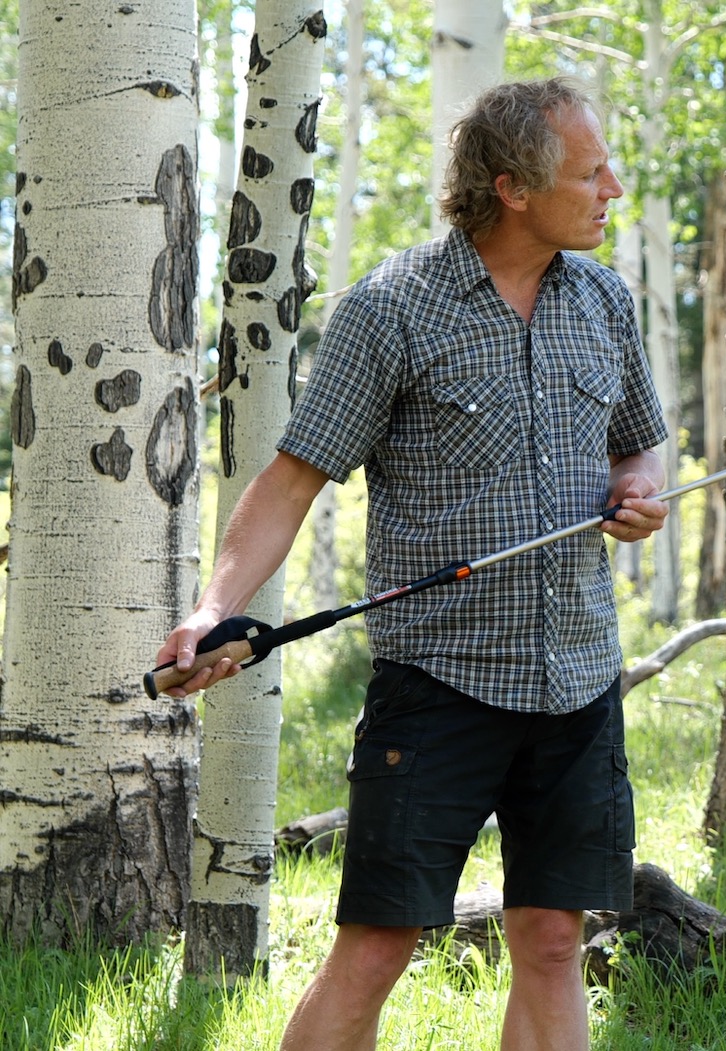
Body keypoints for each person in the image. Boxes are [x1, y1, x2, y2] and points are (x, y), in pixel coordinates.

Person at [155, 77, 669, 1051]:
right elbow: (292, 478)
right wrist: (214, 607)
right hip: (439, 685)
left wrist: (634, 490)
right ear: (513, 187)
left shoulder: (604, 297)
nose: (612, 188)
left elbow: (638, 444)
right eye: (591, 170)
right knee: (379, 944)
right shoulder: (394, 309)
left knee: (555, 940)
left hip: (579, 680)